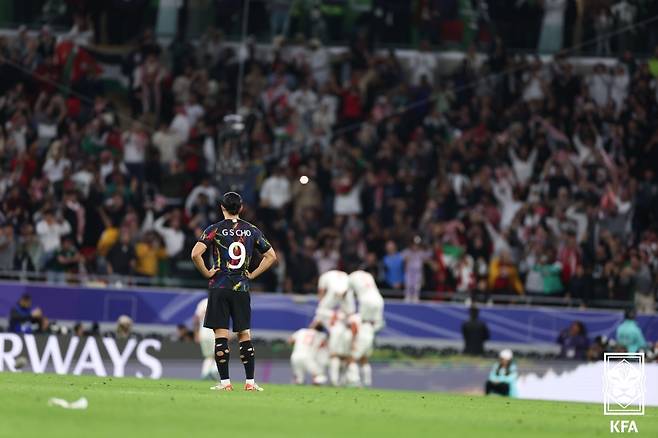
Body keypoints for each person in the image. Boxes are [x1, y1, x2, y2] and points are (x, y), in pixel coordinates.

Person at [191, 192, 277, 392]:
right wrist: (253, 274)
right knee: (244, 333)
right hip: (242, 287)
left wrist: (206, 272)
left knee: (221, 334)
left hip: (219, 286)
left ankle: (225, 383)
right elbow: (271, 256)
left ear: (222, 207)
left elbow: (196, 253)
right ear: (241, 208)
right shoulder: (251, 230)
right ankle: (249, 382)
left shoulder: (215, 229)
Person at [312, 269, 355, 386]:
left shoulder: (324, 276)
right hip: (347, 293)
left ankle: (335, 381)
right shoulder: (345, 274)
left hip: (334, 293)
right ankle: (347, 381)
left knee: (320, 310)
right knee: (351, 314)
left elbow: (321, 294)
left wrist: (320, 310)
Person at [348, 270, 385, 387]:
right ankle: (367, 382)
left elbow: (347, 294)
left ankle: (354, 381)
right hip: (379, 300)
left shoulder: (351, 277)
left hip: (365, 305)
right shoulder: (368, 275)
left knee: (352, 358)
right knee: (364, 358)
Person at [193, 298, 218, 380]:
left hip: (203, 333)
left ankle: (205, 373)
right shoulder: (221, 301)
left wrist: (196, 333)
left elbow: (196, 319)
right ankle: (214, 370)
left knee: (208, 356)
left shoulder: (203, 302)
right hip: (214, 333)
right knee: (219, 353)